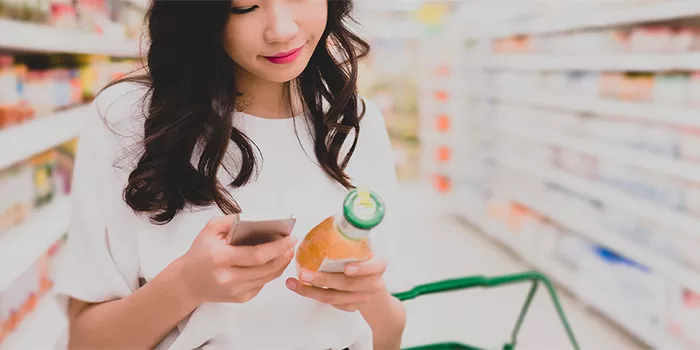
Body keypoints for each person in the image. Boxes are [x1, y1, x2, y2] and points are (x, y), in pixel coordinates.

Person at [53, 0, 407, 349]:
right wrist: (187, 285)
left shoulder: (357, 123)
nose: (281, 30)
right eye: (244, 7)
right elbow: (86, 342)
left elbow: (389, 336)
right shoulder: (129, 120)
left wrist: (367, 295)